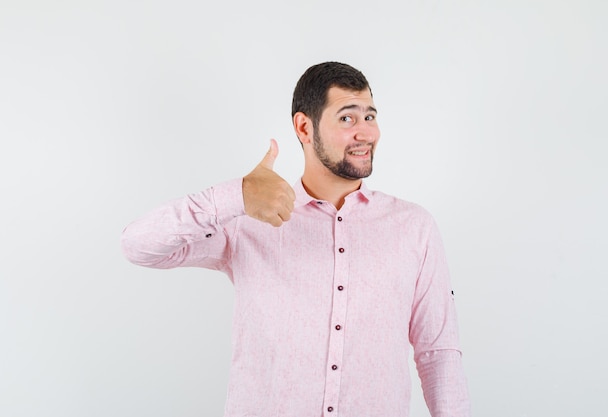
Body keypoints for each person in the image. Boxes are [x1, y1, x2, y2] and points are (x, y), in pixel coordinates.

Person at [121, 61, 471, 417]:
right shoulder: (248, 221)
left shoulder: (414, 227)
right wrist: (237, 196)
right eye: (348, 118)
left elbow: (438, 350)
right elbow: (138, 246)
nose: (366, 133)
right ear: (305, 127)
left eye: (370, 116)